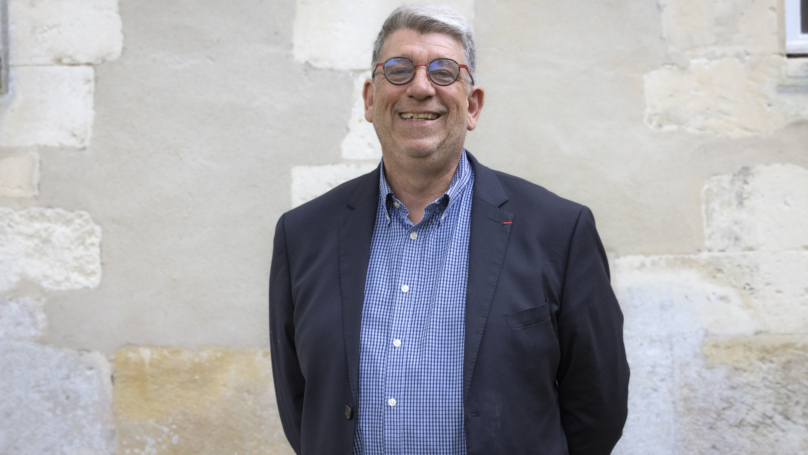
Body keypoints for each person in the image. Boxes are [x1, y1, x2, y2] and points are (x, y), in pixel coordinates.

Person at [269, 4, 629, 454]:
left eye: (443, 72)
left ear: (472, 106)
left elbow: (598, 408)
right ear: (369, 99)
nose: (421, 87)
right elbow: (303, 409)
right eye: (399, 70)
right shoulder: (303, 236)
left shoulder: (559, 231)